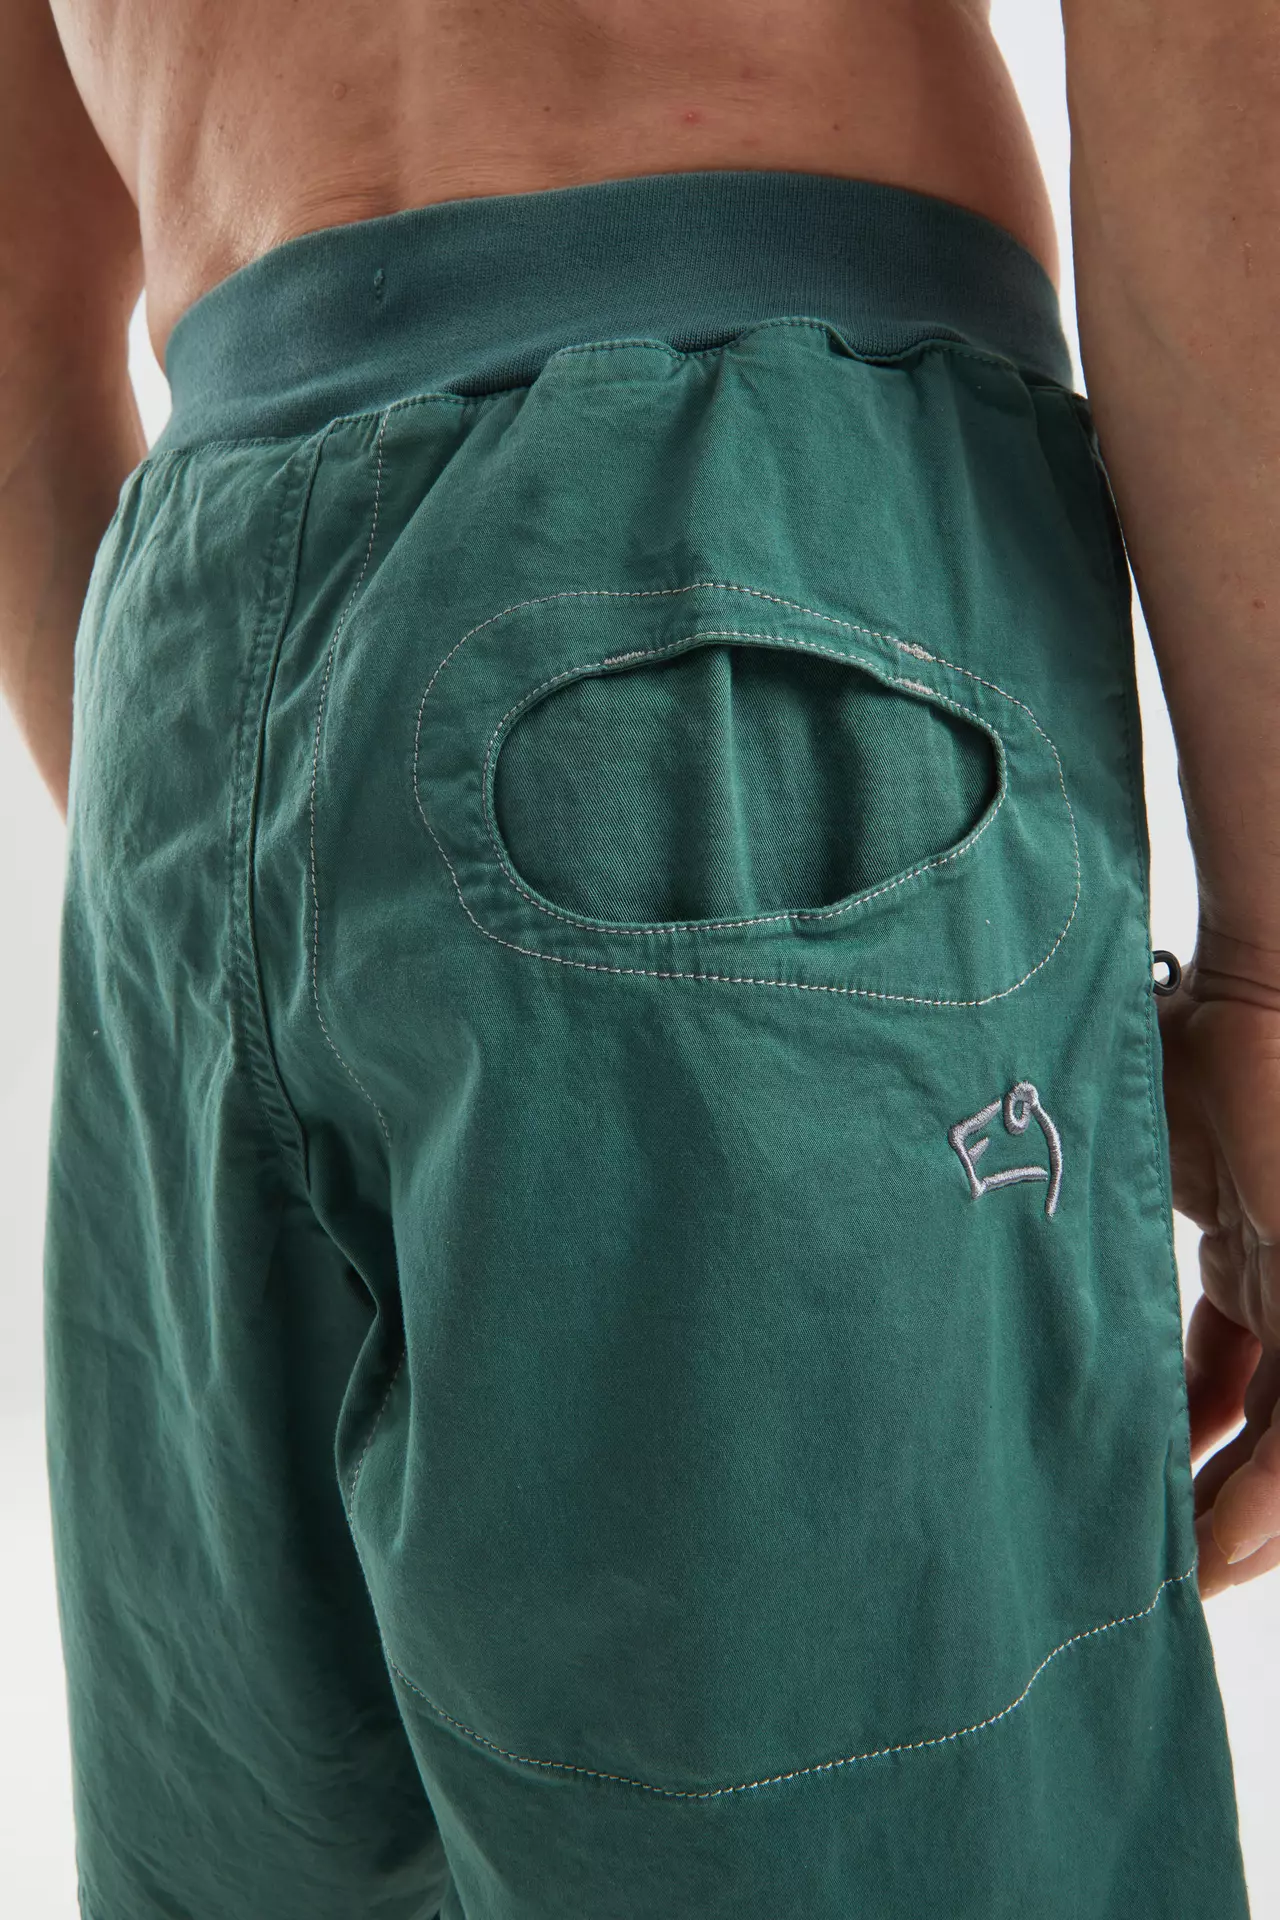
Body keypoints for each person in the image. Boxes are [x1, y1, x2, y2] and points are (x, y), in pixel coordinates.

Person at [1, 0, 1273, 1912]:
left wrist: (216, 857)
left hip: (190, 654)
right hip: (711, 555)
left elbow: (15, 319)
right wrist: (1266, 976)